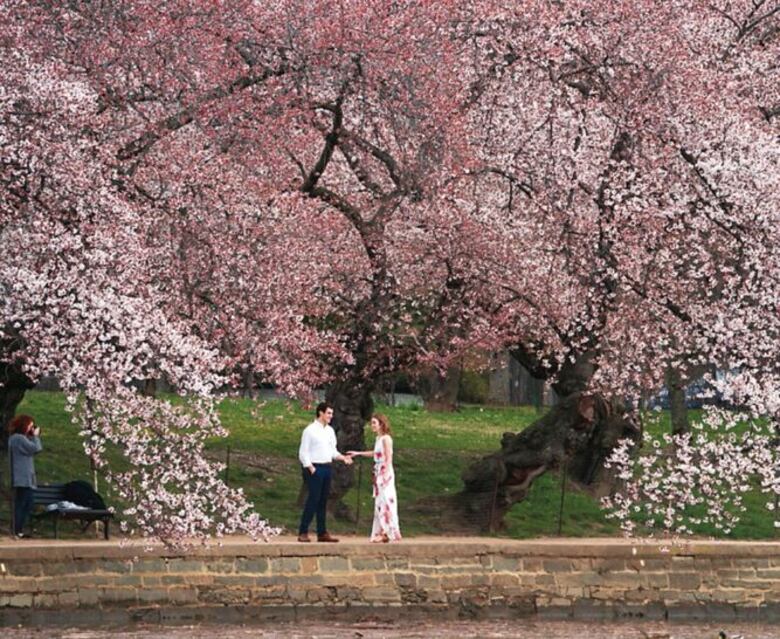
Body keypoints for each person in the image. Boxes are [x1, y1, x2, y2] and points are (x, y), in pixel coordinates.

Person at [297, 402, 352, 542]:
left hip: (327, 467)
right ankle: (303, 531)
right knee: (313, 499)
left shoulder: (330, 431)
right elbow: (303, 452)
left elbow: (332, 451)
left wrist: (343, 457)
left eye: (331, 414)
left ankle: (322, 532)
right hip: (314, 468)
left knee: (323, 501)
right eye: (328, 413)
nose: (330, 416)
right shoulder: (309, 430)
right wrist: (310, 468)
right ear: (320, 413)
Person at [348, 414, 401, 543]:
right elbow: (375, 453)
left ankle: (387, 531)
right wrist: (358, 453)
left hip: (384, 473)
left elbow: (388, 457)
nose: (372, 426)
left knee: (386, 500)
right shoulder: (379, 438)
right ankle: (383, 531)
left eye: (374, 423)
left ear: (381, 424)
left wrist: (385, 474)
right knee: (380, 502)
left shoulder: (386, 439)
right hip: (378, 471)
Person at [7, 414, 43, 538]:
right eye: (30, 426)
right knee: (23, 503)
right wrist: (36, 437)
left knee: (27, 503)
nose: (31, 429)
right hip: (22, 478)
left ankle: (19, 529)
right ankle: (16, 529)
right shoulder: (18, 439)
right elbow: (36, 448)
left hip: (26, 477)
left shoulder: (20, 439)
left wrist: (32, 437)